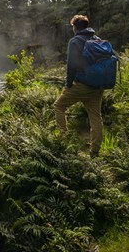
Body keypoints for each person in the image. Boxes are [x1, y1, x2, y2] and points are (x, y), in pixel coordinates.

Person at [54, 15, 104, 157]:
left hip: (81, 84)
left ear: (75, 27)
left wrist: (68, 84)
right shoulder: (97, 39)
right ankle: (95, 152)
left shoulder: (75, 41)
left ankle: (63, 140)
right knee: (95, 117)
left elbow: (72, 65)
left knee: (59, 106)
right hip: (97, 85)